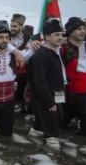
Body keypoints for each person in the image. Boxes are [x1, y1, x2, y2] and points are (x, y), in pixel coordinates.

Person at [28, 19, 66, 149]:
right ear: (47, 37)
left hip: (56, 93)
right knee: (52, 128)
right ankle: (53, 155)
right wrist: (49, 101)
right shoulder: (41, 54)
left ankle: (35, 132)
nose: (60, 38)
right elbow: (38, 80)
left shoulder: (56, 51)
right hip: (45, 96)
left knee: (45, 121)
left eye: (61, 34)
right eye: (56, 35)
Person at [60, 17, 86, 136]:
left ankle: (82, 145)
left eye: (83, 28)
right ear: (70, 32)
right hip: (68, 91)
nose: (82, 31)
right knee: (61, 122)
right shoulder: (62, 46)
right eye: (78, 29)